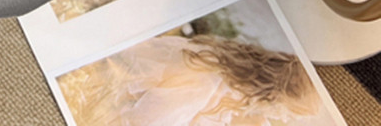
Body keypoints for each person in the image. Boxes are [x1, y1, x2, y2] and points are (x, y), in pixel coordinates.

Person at [61, 32, 331, 125]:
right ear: (276, 94)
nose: (283, 118)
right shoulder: (206, 83)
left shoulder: (223, 72)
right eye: (289, 113)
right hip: (98, 101)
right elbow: (143, 121)